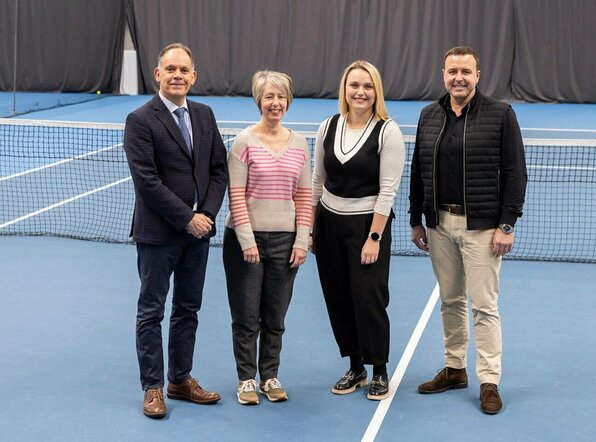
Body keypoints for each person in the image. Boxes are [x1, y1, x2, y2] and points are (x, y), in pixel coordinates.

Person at [409, 46, 527, 415]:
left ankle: (488, 380)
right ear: (443, 74)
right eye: (452, 71)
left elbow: (515, 173)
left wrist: (506, 224)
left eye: (465, 71)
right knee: (450, 301)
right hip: (439, 224)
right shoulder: (429, 115)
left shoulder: (501, 114)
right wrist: (416, 218)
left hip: (482, 227)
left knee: (484, 307)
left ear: (478, 75)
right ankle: (455, 368)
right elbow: (417, 170)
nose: (458, 77)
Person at [123, 42, 228, 419]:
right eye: (171, 69)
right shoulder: (140, 119)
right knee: (151, 311)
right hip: (157, 235)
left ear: (194, 76)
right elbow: (147, 182)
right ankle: (153, 387)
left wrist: (208, 214)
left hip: (198, 234)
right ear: (158, 74)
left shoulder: (204, 115)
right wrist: (187, 217)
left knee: (188, 308)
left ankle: (179, 380)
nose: (178, 75)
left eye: (184, 70)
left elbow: (219, 171)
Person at [310, 60, 405, 401]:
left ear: (376, 91)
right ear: (345, 89)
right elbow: (317, 180)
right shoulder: (328, 126)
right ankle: (356, 367)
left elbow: (388, 190)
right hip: (329, 225)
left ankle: (379, 369)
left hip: (368, 226)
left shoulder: (387, 131)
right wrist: (310, 228)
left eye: (367, 86)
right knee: (339, 299)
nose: (360, 92)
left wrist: (374, 237)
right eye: (354, 86)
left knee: (369, 299)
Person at [223, 70, 311, 405]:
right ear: (259, 100)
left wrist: (301, 240)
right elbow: (236, 195)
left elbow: (304, 197)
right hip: (246, 242)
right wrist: (247, 241)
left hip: (285, 242)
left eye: (280, 97)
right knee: (246, 317)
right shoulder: (244, 142)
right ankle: (246, 380)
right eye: (268, 97)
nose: (275, 103)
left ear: (288, 101)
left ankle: (270, 377)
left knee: (275, 316)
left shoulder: (300, 143)